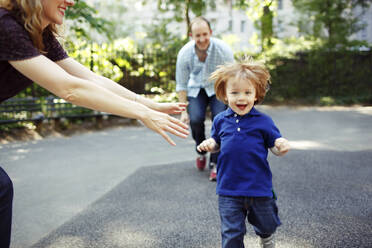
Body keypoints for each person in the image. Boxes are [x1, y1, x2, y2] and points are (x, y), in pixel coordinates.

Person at [0, 0, 189, 247]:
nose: (72, 1)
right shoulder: (5, 26)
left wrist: (148, 105)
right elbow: (69, 88)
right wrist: (141, 113)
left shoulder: (39, 35)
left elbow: (89, 78)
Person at [197, 59, 290, 248]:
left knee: (267, 224)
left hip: (259, 187)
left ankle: (267, 238)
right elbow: (217, 143)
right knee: (231, 233)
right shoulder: (220, 120)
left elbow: (274, 145)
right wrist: (210, 144)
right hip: (229, 188)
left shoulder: (263, 121)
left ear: (257, 94)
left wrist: (280, 146)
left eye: (248, 92)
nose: (241, 98)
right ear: (224, 94)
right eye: (235, 93)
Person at [176, 16, 234, 181]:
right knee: (195, 119)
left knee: (220, 121)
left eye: (204, 34)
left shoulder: (223, 50)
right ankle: (200, 150)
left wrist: (233, 103)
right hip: (196, 89)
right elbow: (181, 84)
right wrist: (183, 112)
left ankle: (215, 163)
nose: (201, 39)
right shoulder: (185, 54)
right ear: (191, 36)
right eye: (197, 35)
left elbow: (232, 78)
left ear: (211, 32)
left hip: (218, 88)